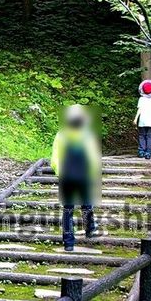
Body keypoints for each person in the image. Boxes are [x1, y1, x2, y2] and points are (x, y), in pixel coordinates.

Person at [51, 104, 102, 251]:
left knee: (67, 209)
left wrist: (61, 173)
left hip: (66, 176)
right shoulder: (88, 136)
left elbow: (55, 159)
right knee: (86, 204)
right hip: (84, 175)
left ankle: (68, 243)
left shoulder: (61, 135)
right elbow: (93, 158)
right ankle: (90, 229)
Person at [134, 79, 151, 158]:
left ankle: (141, 151)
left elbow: (139, 110)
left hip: (142, 121)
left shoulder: (141, 99)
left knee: (142, 135)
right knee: (150, 136)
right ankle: (148, 152)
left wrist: (135, 119)